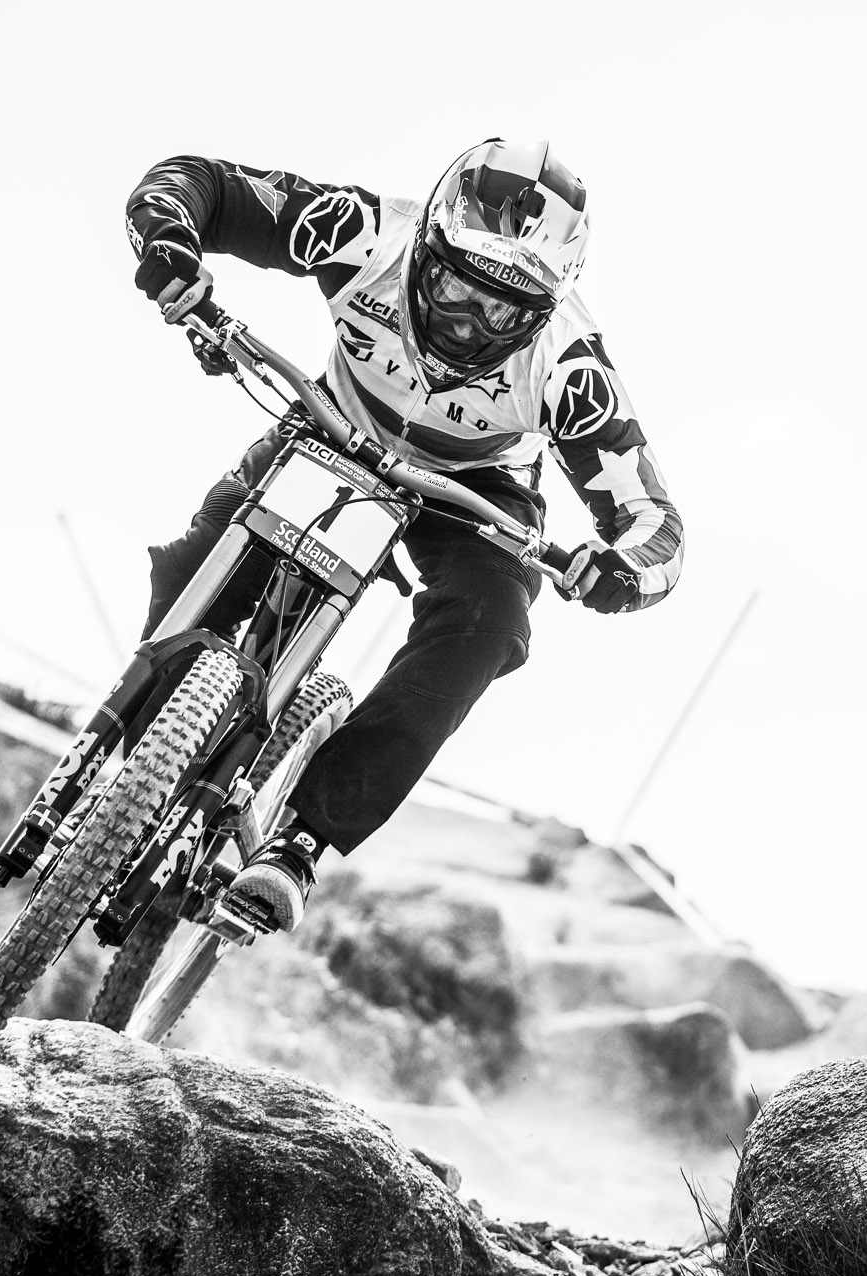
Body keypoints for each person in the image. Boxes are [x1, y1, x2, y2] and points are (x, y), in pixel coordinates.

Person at [123, 140, 683, 923]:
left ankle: (301, 843)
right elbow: (200, 184)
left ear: (545, 308)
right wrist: (169, 239)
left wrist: (620, 568)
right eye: (457, 286)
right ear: (425, 245)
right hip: (334, 422)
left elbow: (656, 525)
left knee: (488, 626)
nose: (469, 323)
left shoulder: (569, 366)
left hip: (473, 487)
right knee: (201, 558)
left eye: (502, 311)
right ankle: (137, 766)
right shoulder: (363, 233)